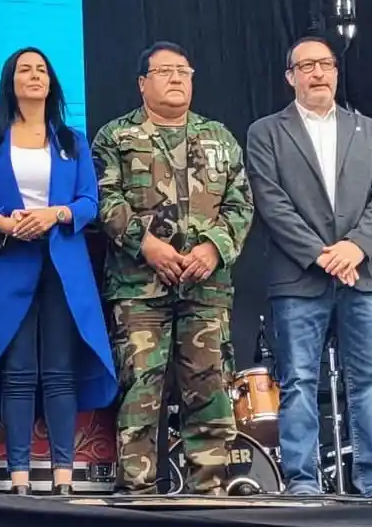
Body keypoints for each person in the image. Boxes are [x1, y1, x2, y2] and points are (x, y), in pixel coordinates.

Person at [91, 41, 253, 496]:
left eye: (183, 70)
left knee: (209, 393)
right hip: (139, 289)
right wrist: (149, 247)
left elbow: (241, 204)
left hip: (207, 288)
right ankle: (138, 496)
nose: (177, 78)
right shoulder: (115, 137)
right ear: (143, 83)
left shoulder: (219, 137)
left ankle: (210, 495)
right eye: (165, 71)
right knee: (140, 393)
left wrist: (212, 249)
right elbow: (106, 201)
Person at [245, 35, 372, 498]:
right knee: (299, 383)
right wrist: (322, 254)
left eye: (325, 64)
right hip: (299, 277)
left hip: (363, 272)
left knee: (371, 381)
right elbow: (271, 202)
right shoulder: (266, 131)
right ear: (290, 76)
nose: (318, 73)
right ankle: (303, 482)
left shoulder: (365, 129)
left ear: (335, 71)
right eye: (306, 66)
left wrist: (355, 247)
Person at [0, 48, 118, 496]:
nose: (34, 76)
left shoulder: (72, 140)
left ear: (51, 82)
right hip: (11, 259)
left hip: (63, 264)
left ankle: (64, 479)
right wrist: (4, 221)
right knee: (18, 370)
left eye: (41, 70)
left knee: (60, 369)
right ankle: (19, 480)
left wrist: (57, 214)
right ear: (10, 82)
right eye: (24, 70)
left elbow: (90, 202)